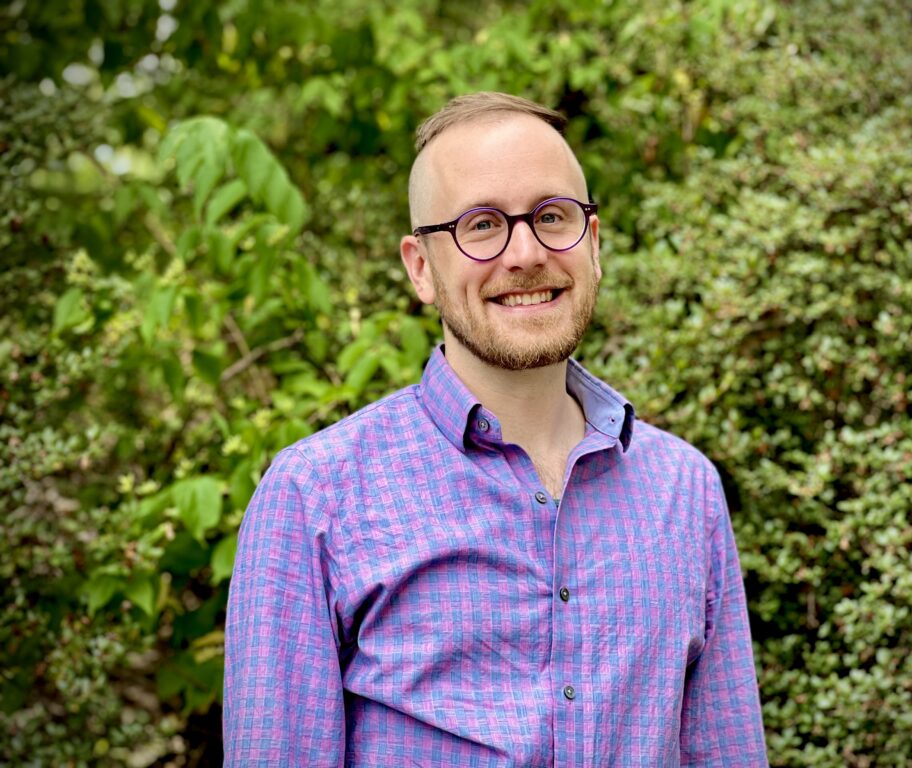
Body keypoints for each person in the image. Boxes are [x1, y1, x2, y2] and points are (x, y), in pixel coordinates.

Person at [224, 91, 768, 766]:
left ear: (592, 243)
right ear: (420, 267)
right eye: (481, 225)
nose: (526, 253)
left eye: (552, 215)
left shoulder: (685, 489)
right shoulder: (314, 496)